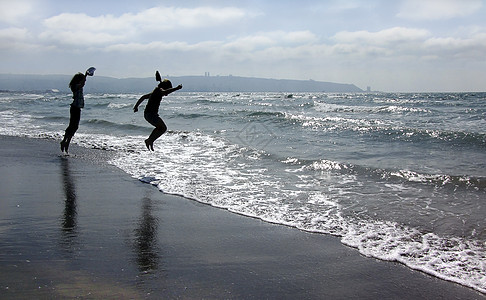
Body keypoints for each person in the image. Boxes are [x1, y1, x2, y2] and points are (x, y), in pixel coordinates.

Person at [133, 71, 182, 151]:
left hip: (148, 115)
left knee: (160, 127)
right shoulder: (159, 91)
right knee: (163, 128)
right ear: (166, 87)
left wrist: (136, 107)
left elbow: (143, 97)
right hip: (151, 115)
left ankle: (150, 140)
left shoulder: (155, 92)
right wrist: (176, 88)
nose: (168, 93)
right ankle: (150, 140)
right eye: (168, 88)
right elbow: (164, 92)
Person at [60, 67, 96, 153]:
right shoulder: (75, 86)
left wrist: (85, 76)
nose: (84, 82)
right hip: (75, 108)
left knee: (74, 126)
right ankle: (65, 142)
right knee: (72, 126)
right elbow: (82, 84)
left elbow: (83, 84)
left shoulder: (78, 86)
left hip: (77, 108)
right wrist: (86, 75)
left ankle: (66, 142)